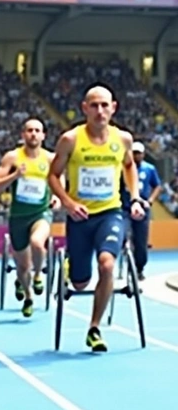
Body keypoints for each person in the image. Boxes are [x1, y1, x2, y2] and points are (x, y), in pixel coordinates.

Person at [48, 85, 146, 353]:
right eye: (94, 105)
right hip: (80, 216)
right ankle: (72, 268)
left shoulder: (122, 139)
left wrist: (135, 197)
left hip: (110, 213)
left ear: (113, 107)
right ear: (84, 108)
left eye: (105, 105)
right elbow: (53, 175)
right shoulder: (70, 139)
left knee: (106, 265)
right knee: (80, 282)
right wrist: (68, 203)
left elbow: (128, 166)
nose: (100, 111)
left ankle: (94, 327)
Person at [0, 118, 61, 317]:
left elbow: (59, 179)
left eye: (38, 130)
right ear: (23, 134)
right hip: (18, 217)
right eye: (29, 130)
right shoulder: (12, 158)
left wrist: (56, 197)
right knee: (22, 265)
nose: (33, 134)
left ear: (44, 135)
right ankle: (28, 296)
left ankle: (38, 275)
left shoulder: (49, 159)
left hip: (41, 213)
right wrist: (14, 177)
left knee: (37, 243)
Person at [119, 141, 161, 280]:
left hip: (142, 209)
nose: (136, 156)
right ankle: (124, 252)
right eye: (134, 153)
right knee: (121, 234)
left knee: (141, 242)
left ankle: (139, 268)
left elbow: (157, 186)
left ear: (143, 154)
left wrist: (150, 200)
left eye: (139, 153)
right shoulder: (122, 168)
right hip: (124, 208)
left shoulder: (149, 169)